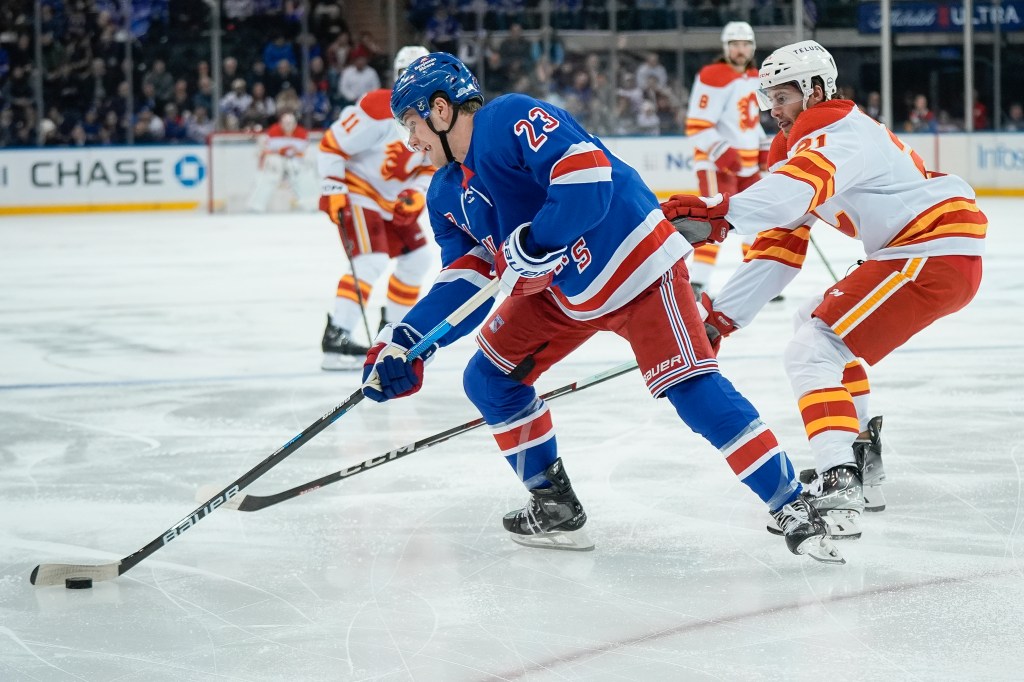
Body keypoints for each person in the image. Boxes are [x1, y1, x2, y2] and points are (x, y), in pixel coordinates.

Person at [369, 52, 844, 564]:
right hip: (565, 290)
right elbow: (467, 275)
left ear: (441, 110)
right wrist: (407, 341)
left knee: (689, 386)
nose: (410, 140)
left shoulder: (505, 118)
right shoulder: (444, 193)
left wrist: (540, 237)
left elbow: (587, 175)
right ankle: (554, 506)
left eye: (412, 123)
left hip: (634, 258)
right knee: (488, 377)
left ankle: (791, 503)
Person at [661, 40, 986, 538]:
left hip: (930, 251)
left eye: (784, 97)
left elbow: (790, 194)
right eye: (769, 99)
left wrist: (717, 214)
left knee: (814, 347)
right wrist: (718, 317)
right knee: (819, 333)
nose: (774, 111)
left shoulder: (837, 132)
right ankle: (859, 461)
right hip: (924, 253)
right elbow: (777, 251)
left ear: (816, 90)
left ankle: (841, 479)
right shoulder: (809, 146)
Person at [316, 46, 436, 370]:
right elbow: (332, 145)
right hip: (359, 192)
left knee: (419, 258)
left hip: (391, 199)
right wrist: (333, 188)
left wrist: (417, 193)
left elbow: (431, 165)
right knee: (370, 261)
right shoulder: (377, 107)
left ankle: (395, 335)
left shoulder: (437, 114)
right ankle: (337, 336)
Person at [683, 21, 772, 298]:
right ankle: (699, 281)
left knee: (757, 220)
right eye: (735, 45)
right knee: (713, 220)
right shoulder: (713, 76)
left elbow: (749, 120)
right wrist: (722, 152)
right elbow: (697, 125)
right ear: (726, 48)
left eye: (745, 44)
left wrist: (762, 147)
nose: (740, 50)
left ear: (753, 47)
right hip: (716, 164)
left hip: (744, 164)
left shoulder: (754, 77)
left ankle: (752, 276)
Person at [246, 112, 316, 213]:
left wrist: (296, 155)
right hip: (277, 161)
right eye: (286, 123)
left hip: (294, 162)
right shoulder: (273, 132)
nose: (288, 126)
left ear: (295, 123)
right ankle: (256, 206)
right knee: (270, 173)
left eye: (290, 123)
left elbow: (306, 153)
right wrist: (278, 152)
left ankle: (311, 205)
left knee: (301, 174)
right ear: (281, 123)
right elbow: (265, 150)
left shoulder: (302, 133)